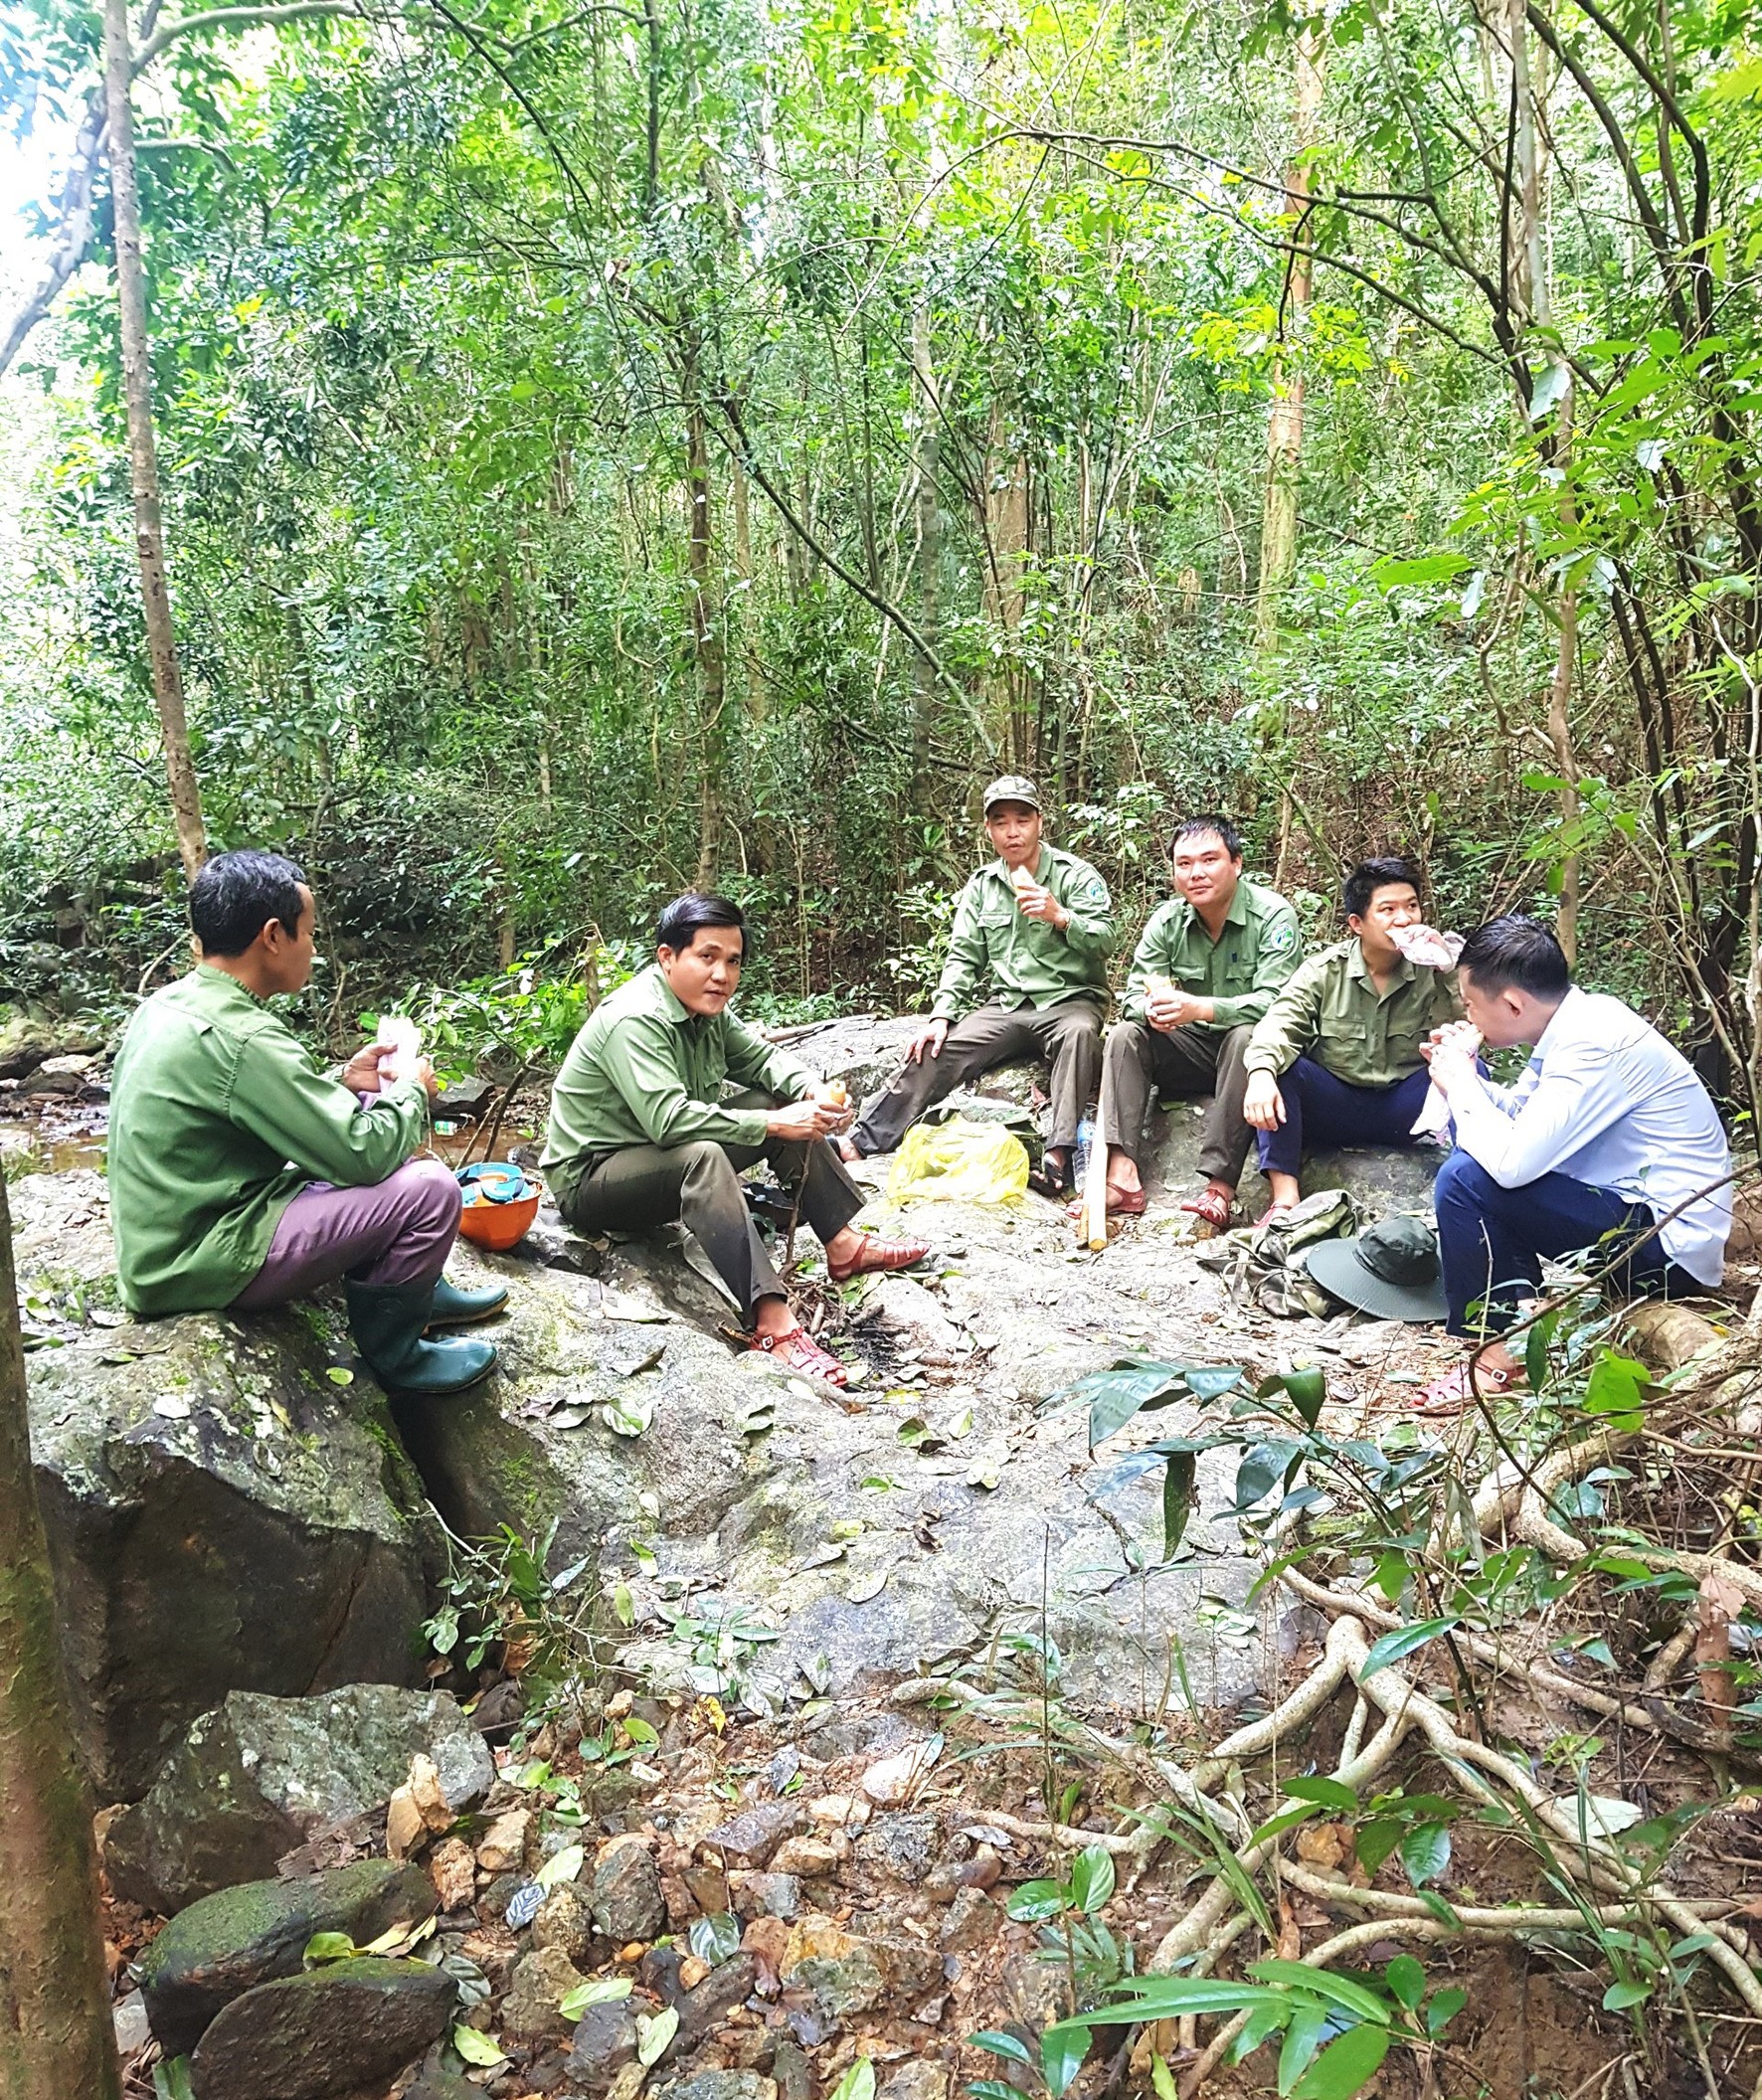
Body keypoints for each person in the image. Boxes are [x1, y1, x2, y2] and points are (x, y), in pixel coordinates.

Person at [108, 850, 502, 1395]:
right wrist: (411, 1088)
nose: (314, 950)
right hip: (193, 1260)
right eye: (309, 933)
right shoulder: (245, 1036)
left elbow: (241, 1104)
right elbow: (361, 1153)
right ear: (273, 936)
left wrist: (343, 1080)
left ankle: (419, 1285)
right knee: (431, 1190)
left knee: (366, 1109)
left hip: (177, 1234)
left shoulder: (171, 1004)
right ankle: (400, 1357)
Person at [541, 893, 928, 1385]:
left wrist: (809, 1091)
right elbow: (668, 1121)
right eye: (706, 957)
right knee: (710, 1152)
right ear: (667, 957)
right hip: (594, 1180)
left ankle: (844, 1244)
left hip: (655, 1156)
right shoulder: (634, 1018)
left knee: (775, 1105)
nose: (721, 975)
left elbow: (763, 1061)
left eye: (732, 961)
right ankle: (770, 1319)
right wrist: (775, 1125)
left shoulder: (707, 1009)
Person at [1418, 915, 1730, 1406]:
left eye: (1472, 1004)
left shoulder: (1592, 1044)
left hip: (1669, 1250)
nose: (1470, 1016)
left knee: (1464, 1180)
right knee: (1470, 1161)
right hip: (1643, 1222)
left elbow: (1510, 1165)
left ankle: (1494, 1358)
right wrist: (1465, 1080)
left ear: (1514, 1003)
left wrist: (1460, 1083)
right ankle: (1518, 1321)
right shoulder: (1577, 1024)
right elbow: (1522, 1119)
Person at [842, 777, 1114, 1196]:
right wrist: (941, 1015)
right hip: (1006, 1005)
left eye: (1022, 820)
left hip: (1070, 1001)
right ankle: (861, 1142)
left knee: (1079, 1036)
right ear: (988, 830)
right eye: (1001, 822)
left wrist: (1061, 917)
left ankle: (1058, 1156)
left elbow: (1106, 942)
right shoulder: (984, 885)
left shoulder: (1074, 876)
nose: (1013, 831)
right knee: (935, 1048)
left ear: (1039, 823)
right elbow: (964, 956)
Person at [1088, 814, 1302, 1227]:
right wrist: (1150, 1010)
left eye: (1209, 860)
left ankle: (1219, 1187)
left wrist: (1199, 1008)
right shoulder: (1167, 921)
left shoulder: (1273, 917)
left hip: (1243, 1058)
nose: (1196, 873)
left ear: (1236, 863)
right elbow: (1132, 994)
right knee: (1125, 1034)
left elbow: (1279, 1003)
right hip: (1186, 1053)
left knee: (1247, 1036)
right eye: (1183, 864)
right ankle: (1122, 1175)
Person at [1243, 856, 1461, 1220]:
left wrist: (1449, 969)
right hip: (1336, 1105)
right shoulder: (1325, 971)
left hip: (1405, 1109)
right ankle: (1285, 1202)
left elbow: (1471, 1029)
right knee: (1281, 1070)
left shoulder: (1436, 970)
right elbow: (1278, 1023)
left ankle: (1468, 1186)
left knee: (1471, 1067)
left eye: (1411, 907)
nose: (1405, 919)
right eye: (1388, 910)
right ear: (1357, 923)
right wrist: (1261, 1074)